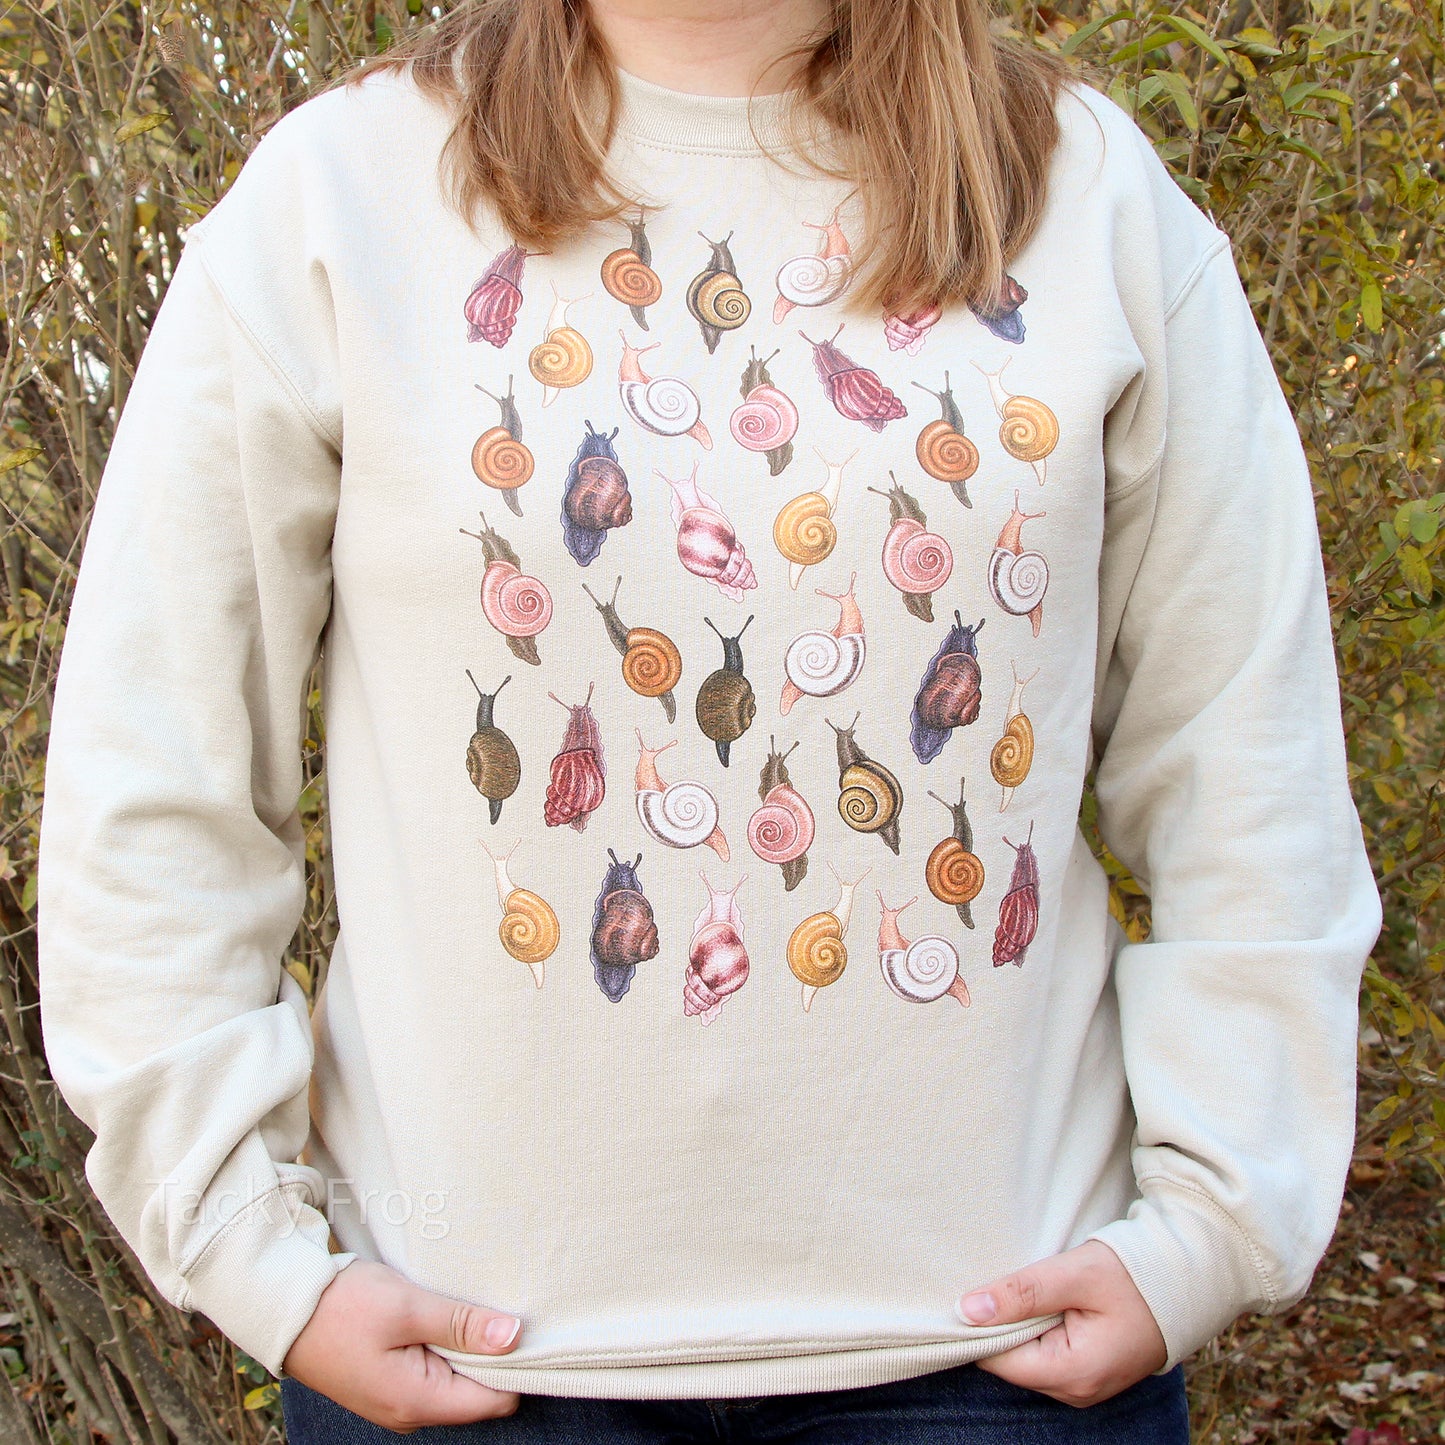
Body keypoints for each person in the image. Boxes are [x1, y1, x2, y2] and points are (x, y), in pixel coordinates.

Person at [35, 0, 1382, 1439]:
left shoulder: (1084, 195)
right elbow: (155, 771)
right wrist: (249, 1249)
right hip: (465, 1365)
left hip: (995, 1362)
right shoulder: (341, 195)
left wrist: (1214, 1223)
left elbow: (1246, 766)